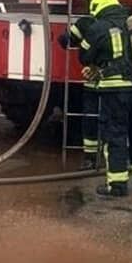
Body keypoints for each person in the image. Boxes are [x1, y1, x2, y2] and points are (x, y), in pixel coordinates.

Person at [77, 0, 132, 197]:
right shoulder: (131, 24)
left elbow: (84, 56)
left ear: (97, 8)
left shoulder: (98, 27)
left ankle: (117, 184)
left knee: (114, 135)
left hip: (114, 90)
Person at [58, 14, 101, 169]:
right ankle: (119, 159)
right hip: (116, 85)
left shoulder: (86, 22)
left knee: (91, 119)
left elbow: (66, 41)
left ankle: (91, 159)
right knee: (116, 122)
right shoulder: (119, 21)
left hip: (94, 83)